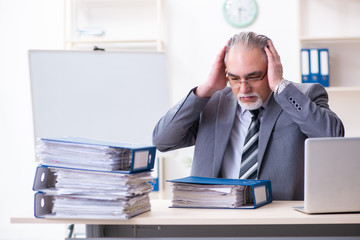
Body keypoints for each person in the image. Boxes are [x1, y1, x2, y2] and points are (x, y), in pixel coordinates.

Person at [152, 32, 344, 200]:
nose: (244, 88)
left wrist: (281, 87)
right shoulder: (212, 102)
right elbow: (163, 141)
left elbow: (332, 138)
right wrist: (206, 89)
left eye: (253, 77)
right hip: (216, 217)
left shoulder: (301, 97)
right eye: (234, 78)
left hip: (279, 220)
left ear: (271, 68)